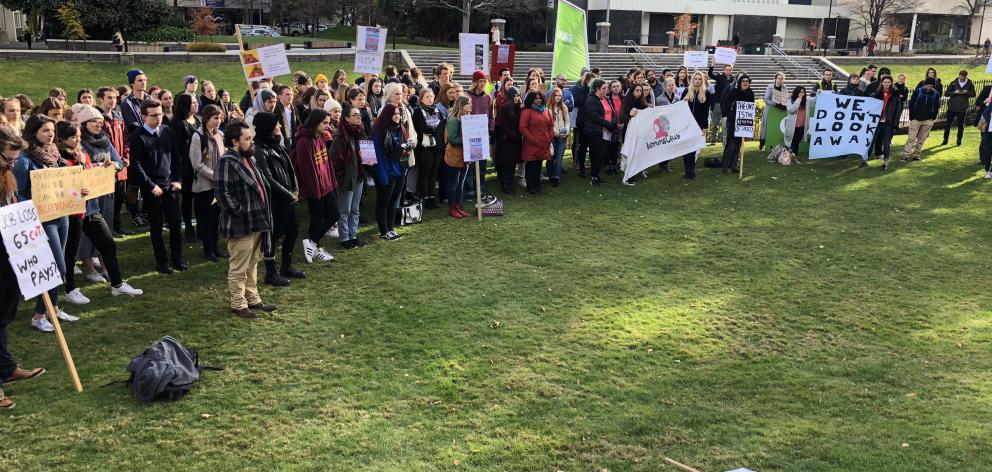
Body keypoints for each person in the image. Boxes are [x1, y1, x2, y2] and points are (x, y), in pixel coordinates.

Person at [66, 114, 144, 302]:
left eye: (78, 136)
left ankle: (117, 284)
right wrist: (84, 163)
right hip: (71, 211)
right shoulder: (61, 156)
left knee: (108, 244)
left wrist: (101, 165)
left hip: (91, 207)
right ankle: (70, 289)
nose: (77, 140)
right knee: (69, 252)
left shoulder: (85, 152)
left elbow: (115, 163)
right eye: (73, 137)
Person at [13, 115, 75, 331]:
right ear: (33, 133)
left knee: (61, 266)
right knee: (55, 266)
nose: (50, 135)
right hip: (42, 219)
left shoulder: (54, 153)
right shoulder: (24, 159)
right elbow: (18, 193)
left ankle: (54, 308)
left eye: (52, 130)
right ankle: (39, 315)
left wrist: (78, 191)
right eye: (45, 131)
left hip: (61, 215)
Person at [0, 124, 47, 408]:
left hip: (7, 256)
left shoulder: (7, 178)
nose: (12, 165)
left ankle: (5, 368)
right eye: (8, 159)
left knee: (3, 316)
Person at [215, 121, 276, 319]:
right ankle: (238, 303)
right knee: (239, 266)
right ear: (235, 141)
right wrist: (240, 211)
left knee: (253, 263)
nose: (252, 142)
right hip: (240, 223)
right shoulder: (227, 161)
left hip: (257, 220)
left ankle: (253, 298)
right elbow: (222, 194)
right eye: (247, 139)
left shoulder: (248, 159)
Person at [129, 98, 187, 274]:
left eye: (160, 114)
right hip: (153, 189)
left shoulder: (166, 131)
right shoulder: (138, 136)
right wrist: (150, 185)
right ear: (144, 116)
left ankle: (177, 259)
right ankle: (161, 262)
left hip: (171, 185)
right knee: (156, 227)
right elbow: (136, 164)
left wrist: (178, 180)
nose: (158, 118)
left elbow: (176, 157)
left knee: (176, 224)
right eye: (154, 116)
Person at [253, 112, 305, 281]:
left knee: (293, 230)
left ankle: (286, 266)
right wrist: (288, 194)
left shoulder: (278, 146)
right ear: (268, 128)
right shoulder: (260, 150)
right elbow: (268, 179)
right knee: (273, 236)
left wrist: (295, 189)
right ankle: (271, 272)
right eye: (277, 124)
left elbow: (290, 170)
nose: (280, 127)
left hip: (288, 198)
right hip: (275, 201)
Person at [291, 108, 338, 262]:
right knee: (316, 218)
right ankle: (314, 247)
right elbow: (307, 170)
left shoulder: (320, 137)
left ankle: (312, 243)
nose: (327, 126)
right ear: (315, 122)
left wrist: (331, 182)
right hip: (315, 188)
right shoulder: (303, 141)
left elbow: (327, 162)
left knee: (334, 214)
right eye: (324, 123)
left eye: (329, 123)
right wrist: (315, 190)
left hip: (326, 185)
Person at [95, 87, 134, 236]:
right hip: (106, 165)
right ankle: (108, 228)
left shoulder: (118, 116)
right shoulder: (97, 118)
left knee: (119, 198)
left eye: (114, 98)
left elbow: (125, 139)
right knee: (107, 200)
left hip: (121, 165)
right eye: (109, 97)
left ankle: (118, 226)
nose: (112, 101)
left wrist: (126, 156)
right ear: (101, 99)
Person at [188, 104, 224, 262]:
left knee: (216, 218)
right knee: (207, 219)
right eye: (215, 118)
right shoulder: (198, 136)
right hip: (205, 186)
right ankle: (208, 249)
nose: (218, 121)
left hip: (218, 185)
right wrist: (215, 175)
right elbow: (197, 163)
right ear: (206, 119)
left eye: (220, 118)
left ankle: (215, 247)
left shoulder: (219, 135)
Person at [371, 104, 409, 240]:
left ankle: (391, 229)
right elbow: (379, 154)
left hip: (400, 169)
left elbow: (399, 149)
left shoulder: (401, 129)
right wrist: (382, 174)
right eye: (394, 114)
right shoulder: (379, 131)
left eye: (398, 113)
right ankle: (383, 231)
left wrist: (406, 150)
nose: (397, 116)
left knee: (393, 202)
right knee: (383, 202)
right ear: (387, 116)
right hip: (386, 171)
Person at [170, 93, 200, 244]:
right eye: (192, 103)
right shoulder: (177, 123)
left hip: (200, 165)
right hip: (187, 167)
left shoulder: (199, 120)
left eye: (196, 102)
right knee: (187, 198)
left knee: (201, 198)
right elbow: (179, 148)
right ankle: (188, 226)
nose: (196, 105)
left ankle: (201, 226)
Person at [412, 88, 444, 208]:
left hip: (437, 145)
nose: (430, 99)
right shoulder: (418, 111)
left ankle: (431, 196)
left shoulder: (437, 110)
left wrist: (433, 129)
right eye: (427, 97)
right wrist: (432, 129)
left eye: (431, 96)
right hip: (424, 146)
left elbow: (441, 126)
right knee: (425, 172)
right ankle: (424, 197)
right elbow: (422, 128)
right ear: (421, 99)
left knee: (434, 173)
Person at [583, 79, 618, 186]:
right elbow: (594, 117)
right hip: (595, 132)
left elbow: (612, 112)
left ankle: (596, 175)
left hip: (605, 131)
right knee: (597, 154)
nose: (606, 90)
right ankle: (594, 177)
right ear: (597, 89)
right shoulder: (591, 100)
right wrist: (609, 125)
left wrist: (613, 122)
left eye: (606, 87)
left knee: (601, 154)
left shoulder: (606, 99)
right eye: (604, 88)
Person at [863, 76, 902, 170]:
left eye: (889, 82)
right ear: (882, 83)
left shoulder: (896, 95)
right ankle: (865, 161)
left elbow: (898, 111)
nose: (887, 84)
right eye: (885, 82)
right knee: (870, 142)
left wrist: (895, 124)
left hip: (889, 122)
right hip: (876, 122)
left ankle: (885, 163)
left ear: (891, 83)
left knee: (886, 142)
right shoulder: (876, 94)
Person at [466, 71, 493, 199]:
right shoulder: (466, 97)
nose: (482, 84)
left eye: (484, 81)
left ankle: (481, 189)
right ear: (475, 82)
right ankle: (470, 189)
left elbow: (491, 116)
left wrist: (491, 128)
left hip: (483, 135)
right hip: (470, 135)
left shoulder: (488, 97)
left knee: (482, 165)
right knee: (470, 165)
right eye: (480, 81)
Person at [519, 91, 553, 195]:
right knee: (531, 166)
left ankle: (537, 185)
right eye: (536, 98)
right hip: (531, 144)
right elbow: (522, 127)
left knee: (538, 165)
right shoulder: (527, 112)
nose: (538, 100)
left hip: (544, 143)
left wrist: (550, 138)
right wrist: (532, 139)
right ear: (531, 100)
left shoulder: (547, 111)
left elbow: (550, 125)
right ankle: (531, 187)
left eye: (540, 98)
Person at [444, 96, 473, 219]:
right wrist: (467, 139)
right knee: (453, 184)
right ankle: (452, 207)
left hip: (465, 156)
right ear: (461, 105)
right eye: (469, 104)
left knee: (460, 183)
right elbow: (451, 139)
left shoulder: (467, 118)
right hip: (454, 156)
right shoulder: (454, 120)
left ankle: (459, 206)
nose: (471, 105)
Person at [681, 71, 712, 180]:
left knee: (693, 148)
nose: (697, 80)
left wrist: (704, 127)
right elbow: (680, 108)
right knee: (686, 148)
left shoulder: (706, 93)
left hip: (698, 125)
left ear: (702, 80)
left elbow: (706, 111)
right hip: (686, 124)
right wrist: (684, 100)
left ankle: (692, 170)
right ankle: (686, 170)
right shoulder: (686, 91)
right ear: (692, 80)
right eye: (696, 78)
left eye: (700, 79)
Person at [721, 74, 754, 173]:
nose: (745, 83)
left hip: (743, 123)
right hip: (732, 121)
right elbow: (726, 104)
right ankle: (725, 166)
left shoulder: (751, 93)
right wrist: (732, 112)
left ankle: (734, 166)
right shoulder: (733, 91)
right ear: (740, 83)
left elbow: (750, 107)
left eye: (747, 82)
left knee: (738, 145)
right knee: (731, 144)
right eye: (743, 81)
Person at [902, 78, 940, 162]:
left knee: (921, 139)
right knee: (911, 138)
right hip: (916, 119)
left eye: (931, 86)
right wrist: (911, 117)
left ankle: (916, 154)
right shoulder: (918, 91)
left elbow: (937, 106)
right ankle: (905, 154)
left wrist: (933, 118)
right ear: (925, 84)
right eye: (928, 85)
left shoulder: (935, 94)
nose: (929, 87)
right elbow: (911, 104)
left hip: (928, 120)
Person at [494, 86, 522, 194]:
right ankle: (505, 185)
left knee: (512, 164)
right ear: (510, 96)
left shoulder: (519, 108)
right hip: (506, 140)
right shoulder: (504, 107)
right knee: (506, 164)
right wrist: (512, 135)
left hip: (515, 140)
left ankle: (511, 184)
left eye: (518, 95)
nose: (517, 97)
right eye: (515, 95)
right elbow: (502, 124)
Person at [943, 70, 975, 147]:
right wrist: (954, 92)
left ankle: (959, 140)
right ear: (959, 75)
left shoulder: (970, 84)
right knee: (948, 124)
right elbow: (946, 93)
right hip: (952, 107)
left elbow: (973, 94)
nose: (962, 79)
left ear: (966, 76)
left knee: (961, 125)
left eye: (964, 78)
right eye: (961, 77)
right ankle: (945, 139)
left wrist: (966, 92)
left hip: (962, 108)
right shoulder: (953, 83)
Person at [571, 71, 593, 176]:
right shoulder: (582, 90)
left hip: (593, 122)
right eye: (591, 80)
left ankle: (592, 166)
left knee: (592, 144)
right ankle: (581, 166)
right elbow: (580, 102)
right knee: (583, 145)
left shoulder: (596, 90)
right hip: (583, 121)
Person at [708, 63, 736, 144]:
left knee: (726, 123)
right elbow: (710, 74)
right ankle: (713, 139)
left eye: (730, 70)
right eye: (727, 70)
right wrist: (712, 65)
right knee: (715, 123)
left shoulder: (734, 79)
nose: (728, 71)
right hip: (718, 103)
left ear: (732, 70)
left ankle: (726, 139)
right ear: (724, 70)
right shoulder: (719, 76)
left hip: (728, 105)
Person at [548, 87, 570, 188]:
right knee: (550, 156)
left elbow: (567, 121)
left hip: (562, 136)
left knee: (559, 157)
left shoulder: (564, 107)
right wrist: (556, 133)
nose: (558, 97)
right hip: (552, 135)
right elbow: (548, 124)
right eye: (556, 95)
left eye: (559, 96)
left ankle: (556, 177)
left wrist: (566, 131)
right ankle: (551, 175)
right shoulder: (548, 108)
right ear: (552, 96)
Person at [762, 72, 787, 150]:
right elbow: (766, 100)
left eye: (782, 79)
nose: (780, 80)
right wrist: (775, 104)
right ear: (775, 79)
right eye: (779, 78)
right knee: (766, 126)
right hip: (770, 109)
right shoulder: (770, 87)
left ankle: (775, 143)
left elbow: (786, 98)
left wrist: (783, 104)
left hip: (779, 111)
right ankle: (763, 144)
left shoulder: (784, 87)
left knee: (776, 126)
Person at [784, 86, 809, 155]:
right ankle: (789, 156)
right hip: (792, 126)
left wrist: (818, 93)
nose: (801, 94)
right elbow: (791, 110)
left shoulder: (806, 100)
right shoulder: (791, 100)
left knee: (797, 142)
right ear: (796, 92)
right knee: (792, 142)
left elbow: (814, 100)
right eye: (800, 92)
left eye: (803, 92)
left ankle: (794, 155)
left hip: (802, 126)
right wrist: (798, 100)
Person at [274, 85, 299, 149]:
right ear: (279, 96)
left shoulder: (294, 109)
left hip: (294, 142)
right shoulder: (275, 110)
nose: (290, 96)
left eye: (291, 94)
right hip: (281, 143)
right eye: (287, 94)